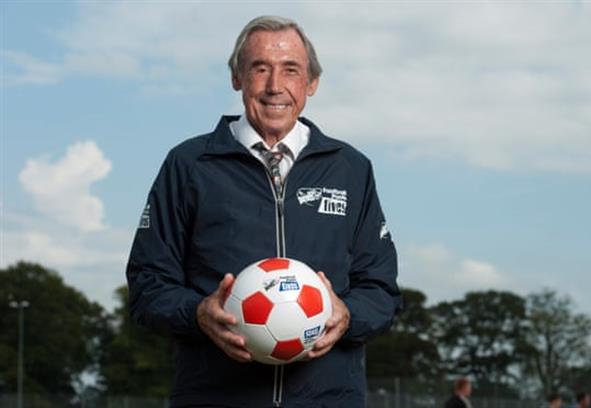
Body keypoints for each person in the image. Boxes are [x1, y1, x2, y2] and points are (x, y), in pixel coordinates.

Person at [126, 15, 401, 408]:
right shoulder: (189, 165)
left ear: (311, 83)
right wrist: (197, 313)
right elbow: (148, 283)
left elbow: (381, 289)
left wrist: (348, 315)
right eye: (260, 68)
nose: (275, 86)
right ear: (237, 78)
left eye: (291, 70)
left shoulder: (350, 168)